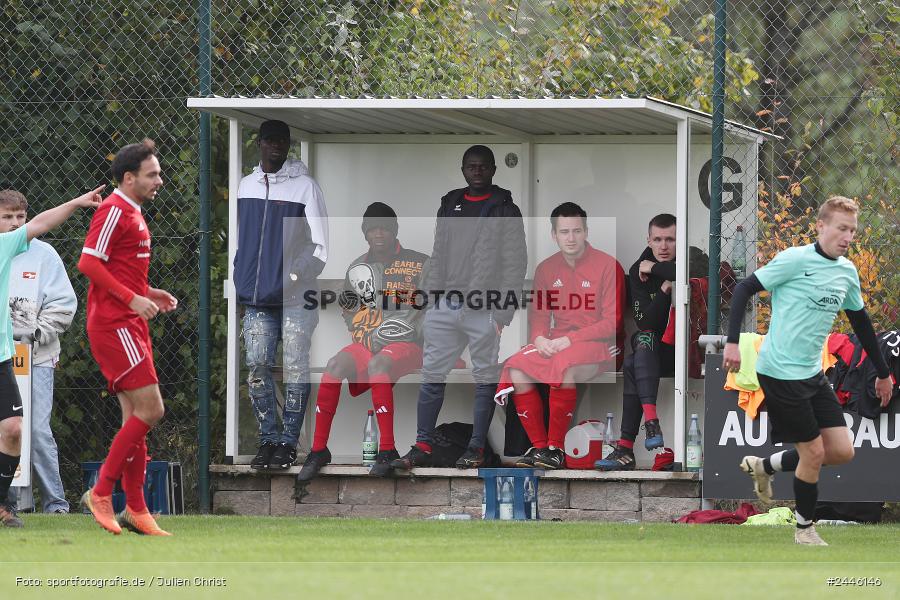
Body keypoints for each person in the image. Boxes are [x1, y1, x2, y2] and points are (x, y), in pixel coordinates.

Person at [724, 196, 893, 546]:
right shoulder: (794, 260)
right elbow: (744, 288)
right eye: (841, 228)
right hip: (778, 371)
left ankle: (765, 466)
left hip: (811, 374)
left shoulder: (846, 271)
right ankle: (804, 529)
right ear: (821, 226)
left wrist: (882, 372)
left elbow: (861, 323)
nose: (847, 236)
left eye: (852, 230)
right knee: (813, 453)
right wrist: (731, 343)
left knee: (842, 452)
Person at [391, 145, 527, 470]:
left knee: (483, 378)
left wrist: (502, 314)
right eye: (471, 166)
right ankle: (423, 444)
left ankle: (476, 448)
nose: (477, 171)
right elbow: (438, 254)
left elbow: (515, 263)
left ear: (493, 170)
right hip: (445, 304)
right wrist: (429, 302)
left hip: (483, 307)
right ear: (463, 169)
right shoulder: (450, 203)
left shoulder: (505, 208)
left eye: (483, 167)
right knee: (432, 374)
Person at [78, 139, 177, 536]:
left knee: (134, 416)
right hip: (114, 324)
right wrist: (132, 298)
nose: (160, 180)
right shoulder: (113, 209)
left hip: (127, 321)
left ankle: (136, 508)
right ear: (129, 177)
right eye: (152, 174)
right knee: (152, 411)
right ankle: (101, 492)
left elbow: (118, 269)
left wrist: (147, 292)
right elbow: (88, 262)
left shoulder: (132, 212)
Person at [297, 202, 429, 481]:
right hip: (369, 341)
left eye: (384, 228)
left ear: (394, 231)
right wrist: (365, 335)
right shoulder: (357, 267)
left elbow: (428, 309)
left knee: (379, 364)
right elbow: (349, 309)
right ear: (365, 234)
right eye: (372, 229)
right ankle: (319, 450)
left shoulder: (420, 262)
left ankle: (387, 450)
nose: (378, 233)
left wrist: (402, 332)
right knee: (334, 366)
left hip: (409, 345)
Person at [0, 184, 103, 528]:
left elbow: (64, 304)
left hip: (36, 357)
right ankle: (9, 502)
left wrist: (36, 334)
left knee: (34, 430)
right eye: (7, 217)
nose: (15, 223)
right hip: (5, 353)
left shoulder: (42, 253)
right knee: (10, 430)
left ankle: (55, 503)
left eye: (19, 216)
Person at [495, 202, 624, 469]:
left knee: (562, 369)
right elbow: (540, 317)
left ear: (586, 232)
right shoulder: (546, 269)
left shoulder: (607, 265)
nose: (571, 238)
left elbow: (613, 322)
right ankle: (540, 448)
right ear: (554, 235)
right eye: (564, 232)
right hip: (557, 343)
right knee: (515, 368)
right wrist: (540, 339)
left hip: (598, 346)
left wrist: (570, 340)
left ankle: (555, 448)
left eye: (576, 231)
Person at [235, 120, 328, 471]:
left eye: (283, 141)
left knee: (294, 366)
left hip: (295, 295)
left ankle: (288, 443)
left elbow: (320, 246)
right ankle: (268, 442)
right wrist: (240, 278)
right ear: (259, 143)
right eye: (271, 140)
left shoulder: (305, 187)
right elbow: (242, 241)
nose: (277, 146)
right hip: (257, 297)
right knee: (257, 368)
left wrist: (293, 274)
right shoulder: (246, 185)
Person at [596, 213, 677, 471]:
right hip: (654, 351)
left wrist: (654, 269)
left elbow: (685, 270)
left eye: (670, 239)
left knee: (634, 361)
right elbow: (647, 323)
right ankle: (650, 424)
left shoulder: (693, 256)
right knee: (640, 343)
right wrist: (665, 289)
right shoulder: (635, 269)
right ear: (649, 240)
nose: (664, 246)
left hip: (686, 351)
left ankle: (625, 449)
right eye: (658, 239)